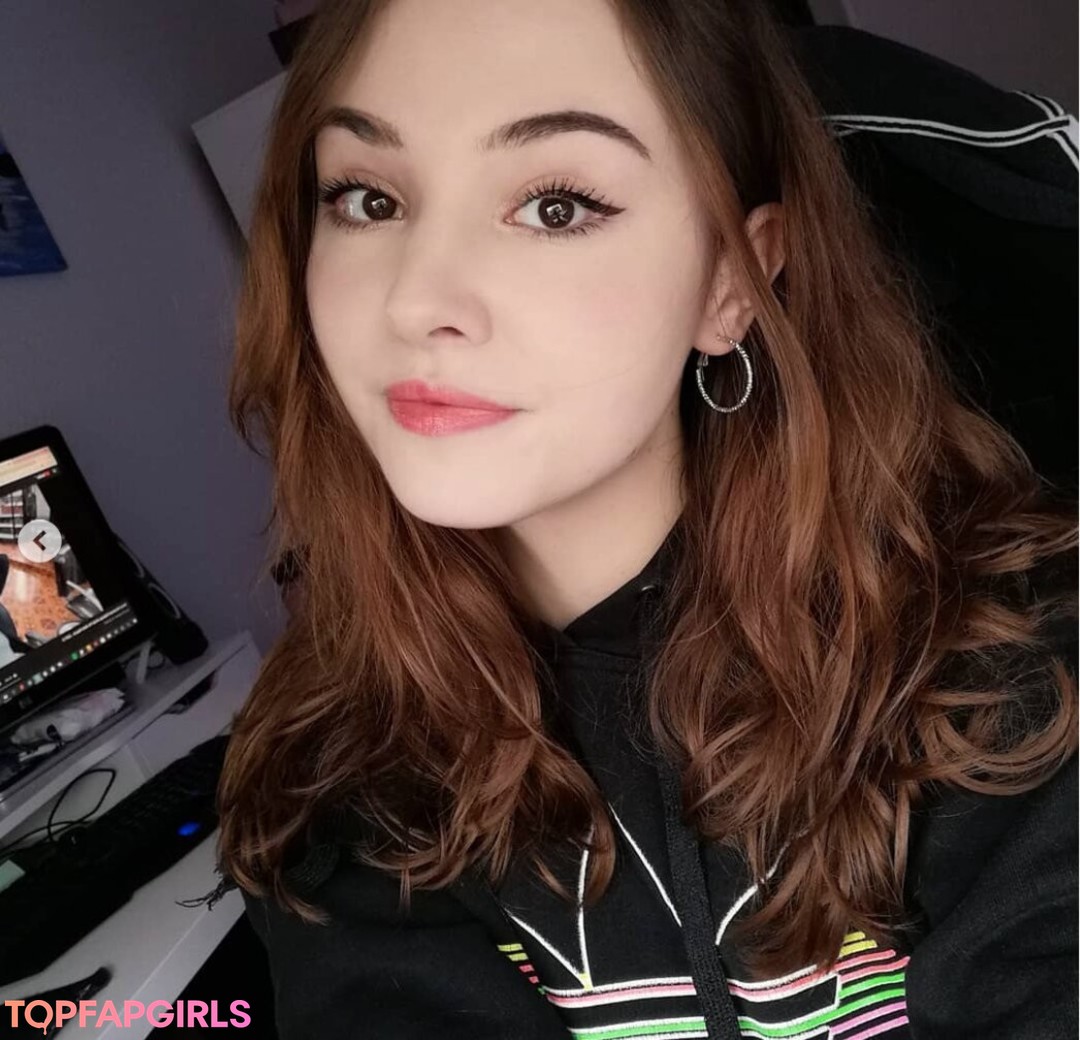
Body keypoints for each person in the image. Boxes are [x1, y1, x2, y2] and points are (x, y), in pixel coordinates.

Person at [213, 1, 1079, 1037]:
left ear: (730, 279)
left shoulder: (999, 660)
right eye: (369, 198)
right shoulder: (332, 773)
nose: (415, 299)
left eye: (555, 207)